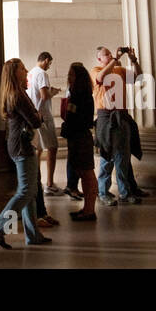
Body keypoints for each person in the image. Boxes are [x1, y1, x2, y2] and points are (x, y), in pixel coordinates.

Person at [0, 58, 48, 249]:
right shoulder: (18, 95)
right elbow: (36, 121)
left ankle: (33, 235)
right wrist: (39, 116)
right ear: (15, 73)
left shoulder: (13, 93)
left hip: (18, 144)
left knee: (30, 192)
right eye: (22, 69)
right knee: (26, 191)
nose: (26, 71)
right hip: (22, 146)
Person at [91, 46, 142, 205]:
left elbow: (138, 78)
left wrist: (133, 60)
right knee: (107, 156)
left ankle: (125, 192)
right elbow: (100, 77)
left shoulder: (119, 70)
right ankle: (103, 192)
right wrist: (115, 59)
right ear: (99, 58)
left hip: (122, 115)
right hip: (106, 117)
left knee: (123, 157)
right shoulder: (95, 70)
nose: (111, 55)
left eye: (111, 53)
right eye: (107, 54)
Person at [62, 61, 97, 221]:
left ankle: (89, 210)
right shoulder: (81, 93)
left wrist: (68, 127)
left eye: (71, 74)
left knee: (87, 173)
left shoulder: (79, 95)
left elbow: (74, 117)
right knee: (84, 173)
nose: (68, 77)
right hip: (79, 135)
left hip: (80, 136)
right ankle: (87, 208)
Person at [28, 52, 62, 196]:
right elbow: (44, 95)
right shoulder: (42, 73)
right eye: (50, 63)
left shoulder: (30, 73)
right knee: (52, 147)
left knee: (38, 149)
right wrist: (53, 92)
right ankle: (49, 183)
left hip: (34, 114)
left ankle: (35, 181)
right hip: (44, 116)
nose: (49, 66)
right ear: (46, 60)